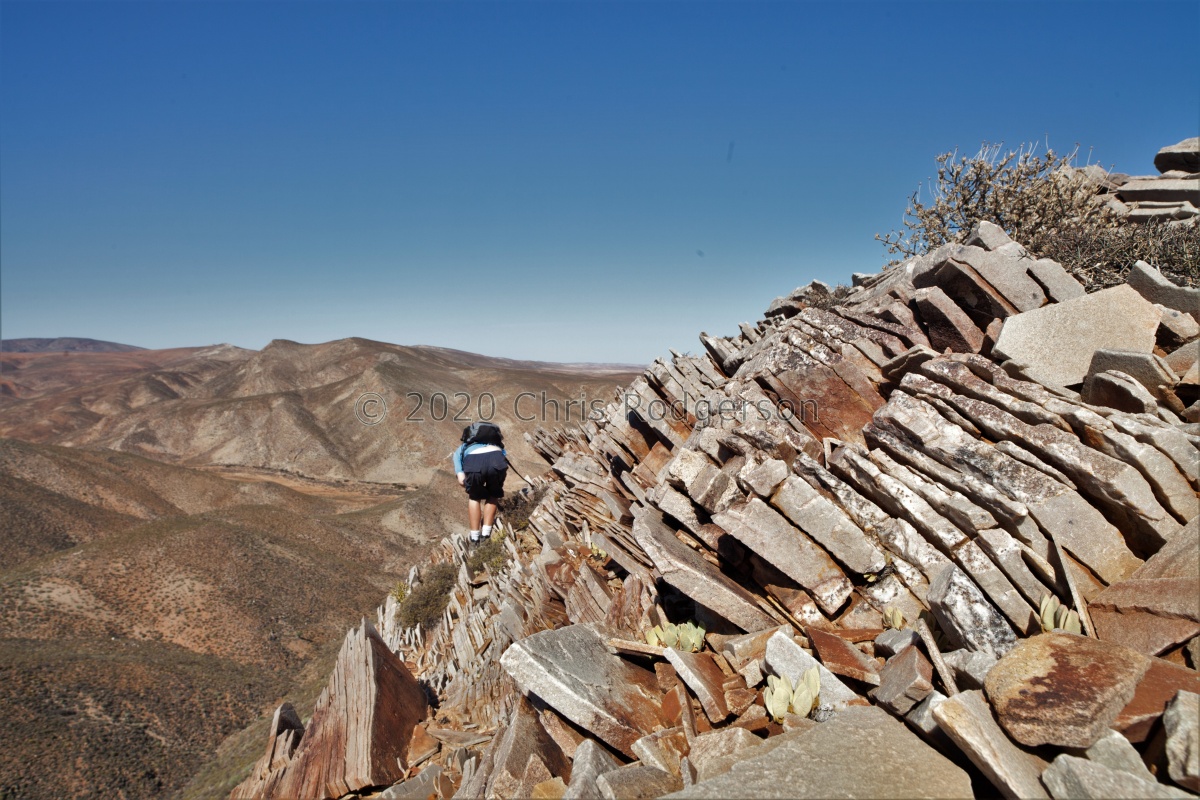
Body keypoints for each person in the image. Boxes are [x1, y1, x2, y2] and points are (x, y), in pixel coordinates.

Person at [452, 423, 508, 544]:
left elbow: (461, 480)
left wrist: (469, 484)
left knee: (474, 497)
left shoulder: (463, 447)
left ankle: (474, 538)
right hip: (497, 459)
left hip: (473, 462)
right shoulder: (497, 445)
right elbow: (503, 459)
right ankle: (486, 534)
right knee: (493, 494)